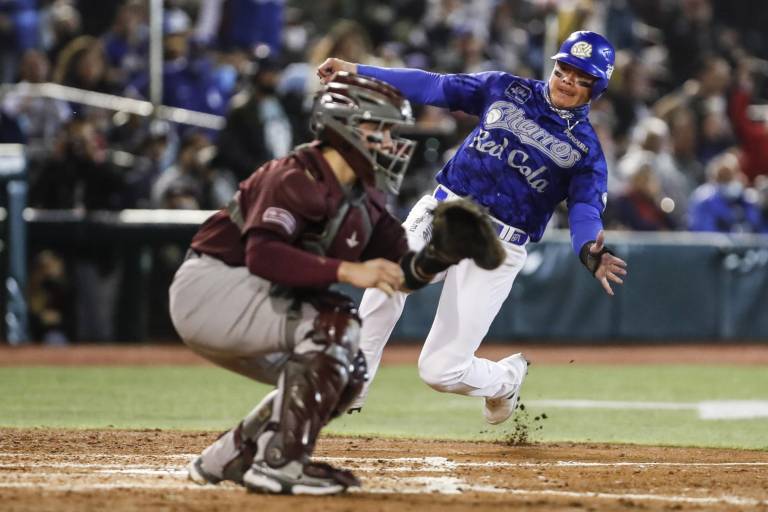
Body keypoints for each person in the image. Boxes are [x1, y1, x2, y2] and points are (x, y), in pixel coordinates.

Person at [169, 72, 502, 495]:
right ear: (343, 125)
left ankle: (231, 456)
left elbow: (401, 271)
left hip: (254, 296)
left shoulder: (366, 195)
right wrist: (347, 271)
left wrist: (438, 257)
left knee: (350, 372)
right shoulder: (295, 176)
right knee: (335, 329)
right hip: (211, 288)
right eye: (377, 128)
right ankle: (279, 464)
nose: (387, 140)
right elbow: (263, 255)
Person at [317, 30, 629, 425]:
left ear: (595, 87)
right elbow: (433, 86)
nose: (567, 80)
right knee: (388, 272)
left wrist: (588, 249)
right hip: (444, 211)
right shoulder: (506, 88)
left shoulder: (586, 150)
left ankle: (505, 379)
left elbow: (585, 208)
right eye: (564, 69)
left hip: (497, 245)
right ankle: (351, 384)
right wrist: (358, 72)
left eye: (580, 76)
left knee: (440, 370)